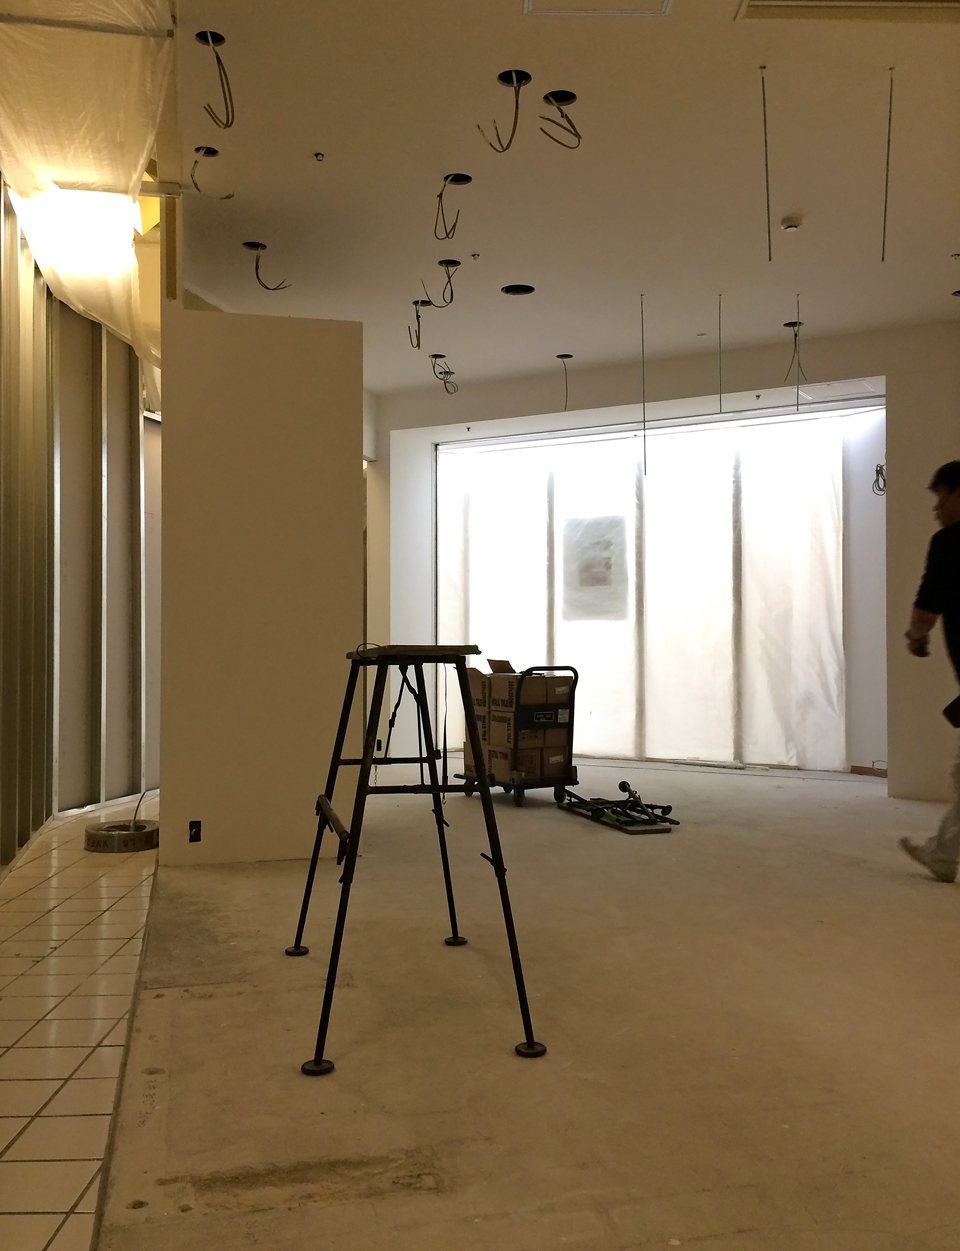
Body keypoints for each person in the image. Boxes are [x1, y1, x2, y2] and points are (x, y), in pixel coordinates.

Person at [900, 460, 960, 882]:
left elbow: (927, 607)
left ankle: (942, 854)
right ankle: (942, 852)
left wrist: (915, 638)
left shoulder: (951, 542)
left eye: (940, 495)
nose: (935, 506)